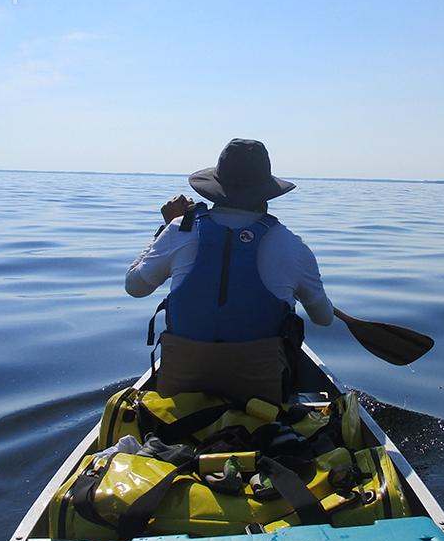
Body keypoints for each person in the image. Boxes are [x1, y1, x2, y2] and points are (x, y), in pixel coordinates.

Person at [126, 138, 333, 402]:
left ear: (216, 187)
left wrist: (167, 229)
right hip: (262, 396)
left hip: (180, 388)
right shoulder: (293, 246)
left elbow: (134, 287)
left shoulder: (180, 229)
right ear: (265, 194)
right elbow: (324, 318)